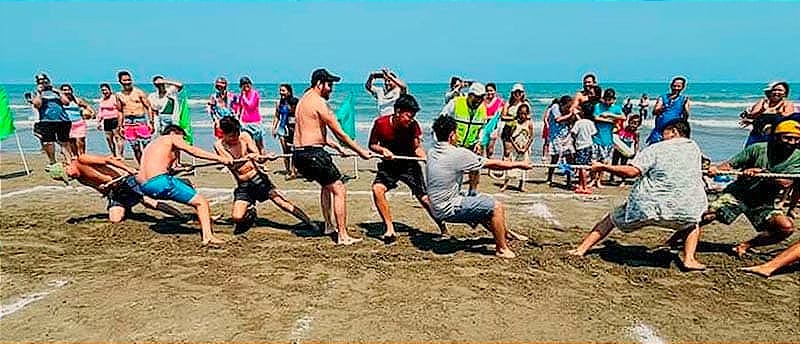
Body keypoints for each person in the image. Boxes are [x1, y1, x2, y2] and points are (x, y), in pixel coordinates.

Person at [568, 119, 708, 271]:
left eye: (664, 132)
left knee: (611, 218)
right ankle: (689, 259)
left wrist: (603, 166)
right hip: (686, 210)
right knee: (692, 224)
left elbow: (632, 172)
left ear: (674, 131)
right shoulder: (694, 149)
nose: (662, 136)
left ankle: (581, 249)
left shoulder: (657, 148)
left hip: (647, 208)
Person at [673, 120, 800, 257]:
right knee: (707, 216)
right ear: (776, 136)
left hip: (764, 202)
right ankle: (672, 240)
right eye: (787, 138)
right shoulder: (758, 149)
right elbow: (730, 165)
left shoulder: (798, 157)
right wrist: (715, 169)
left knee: (786, 228)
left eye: (796, 139)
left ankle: (745, 245)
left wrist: (763, 173)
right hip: (738, 194)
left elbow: (786, 183)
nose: (791, 142)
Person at [426, 115, 532, 258]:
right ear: (452, 135)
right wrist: (519, 165)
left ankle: (507, 233)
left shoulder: (431, 151)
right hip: (447, 209)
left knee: (479, 200)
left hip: (436, 207)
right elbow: (493, 164)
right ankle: (502, 249)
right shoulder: (457, 153)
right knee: (496, 207)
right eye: (456, 133)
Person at [293, 68, 372, 245]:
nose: (331, 89)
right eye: (329, 85)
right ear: (319, 84)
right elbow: (341, 133)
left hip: (299, 154)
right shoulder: (320, 103)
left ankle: (329, 225)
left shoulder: (303, 100)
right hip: (313, 154)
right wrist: (361, 152)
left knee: (326, 185)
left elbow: (310, 131)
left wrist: (333, 146)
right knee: (339, 188)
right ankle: (342, 235)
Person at [214, 117, 315, 233]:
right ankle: (251, 210)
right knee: (237, 217)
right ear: (224, 134)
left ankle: (309, 222)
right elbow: (232, 165)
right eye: (231, 136)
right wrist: (246, 157)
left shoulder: (245, 137)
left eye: (236, 135)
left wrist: (266, 157)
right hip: (243, 185)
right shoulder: (219, 145)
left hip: (259, 179)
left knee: (282, 203)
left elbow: (258, 157)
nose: (235, 138)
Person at [136, 125, 232, 245]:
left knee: (187, 185)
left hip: (144, 186)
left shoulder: (153, 144)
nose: (182, 142)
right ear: (174, 133)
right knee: (201, 202)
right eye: (182, 138)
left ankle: (205, 217)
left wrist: (182, 169)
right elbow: (193, 151)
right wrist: (219, 159)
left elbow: (161, 167)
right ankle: (208, 236)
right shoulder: (172, 138)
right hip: (160, 182)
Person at [368, 94, 446, 243]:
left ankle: (443, 227)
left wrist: (425, 158)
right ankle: (390, 229)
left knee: (424, 198)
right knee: (377, 190)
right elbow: (372, 144)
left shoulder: (413, 126)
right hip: (389, 165)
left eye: (413, 116)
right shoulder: (380, 123)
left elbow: (417, 148)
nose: (411, 120)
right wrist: (382, 150)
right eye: (409, 116)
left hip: (409, 165)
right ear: (397, 112)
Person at [54, 153, 185, 223]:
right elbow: (98, 187)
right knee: (115, 219)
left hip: (126, 180)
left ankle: (181, 216)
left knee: (148, 202)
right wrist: (104, 189)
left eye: (68, 175)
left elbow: (109, 160)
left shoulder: (82, 159)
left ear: (66, 166)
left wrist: (128, 169)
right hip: (115, 191)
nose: (71, 177)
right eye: (68, 179)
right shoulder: (80, 178)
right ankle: (127, 209)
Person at [441, 82, 489, 193]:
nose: (478, 101)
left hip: (471, 144)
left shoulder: (482, 108)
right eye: (476, 98)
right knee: (455, 171)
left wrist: (479, 142)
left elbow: (482, 128)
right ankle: (452, 192)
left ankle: (473, 192)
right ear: (470, 95)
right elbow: (442, 120)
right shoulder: (456, 103)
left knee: (476, 167)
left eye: (481, 98)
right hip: (454, 145)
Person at [29, 73, 72, 170]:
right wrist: (39, 92)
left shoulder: (56, 92)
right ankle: (52, 161)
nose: (43, 83)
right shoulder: (36, 93)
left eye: (45, 81)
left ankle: (69, 161)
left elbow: (66, 102)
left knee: (64, 142)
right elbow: (37, 105)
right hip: (46, 120)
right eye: (41, 82)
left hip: (62, 120)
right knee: (47, 143)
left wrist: (57, 91)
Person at [740, 81, 795, 147]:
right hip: (756, 134)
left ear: (785, 93)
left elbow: (787, 119)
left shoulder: (787, 104)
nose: (776, 92)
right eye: (774, 90)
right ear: (770, 91)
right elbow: (752, 115)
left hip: (773, 136)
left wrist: (777, 110)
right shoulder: (762, 102)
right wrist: (762, 109)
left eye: (780, 90)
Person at [590, 88, 625, 189]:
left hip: (608, 140)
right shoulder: (598, 106)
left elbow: (623, 117)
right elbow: (596, 118)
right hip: (596, 138)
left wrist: (609, 115)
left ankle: (599, 180)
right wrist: (611, 121)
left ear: (614, 99)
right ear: (603, 98)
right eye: (607, 99)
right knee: (594, 161)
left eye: (610, 99)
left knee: (604, 163)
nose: (608, 101)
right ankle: (593, 179)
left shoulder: (616, 108)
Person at [117, 70, 153, 164]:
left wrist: (151, 122)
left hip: (140, 120)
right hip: (128, 122)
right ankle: (141, 166)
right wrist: (120, 126)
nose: (127, 82)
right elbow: (120, 111)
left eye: (129, 80)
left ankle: (148, 165)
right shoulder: (119, 95)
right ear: (120, 81)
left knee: (147, 145)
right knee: (135, 147)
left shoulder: (139, 92)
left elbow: (149, 107)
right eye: (125, 80)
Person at [647, 77, 691, 145]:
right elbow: (654, 112)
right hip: (659, 131)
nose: (676, 88)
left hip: (673, 133)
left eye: (678, 86)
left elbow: (685, 118)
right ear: (671, 86)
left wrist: (685, 108)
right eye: (674, 86)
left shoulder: (684, 99)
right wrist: (667, 104)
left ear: (683, 88)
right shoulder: (663, 97)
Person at [500, 103, 534, 192]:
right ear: (518, 113)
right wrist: (516, 147)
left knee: (524, 167)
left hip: (525, 148)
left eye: (525, 114)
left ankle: (521, 185)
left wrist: (525, 148)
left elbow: (531, 137)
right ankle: (506, 184)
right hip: (515, 148)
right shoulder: (515, 123)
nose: (523, 116)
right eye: (521, 113)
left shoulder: (529, 123)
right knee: (510, 165)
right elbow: (510, 136)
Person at [545, 95, 576, 186]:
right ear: (562, 104)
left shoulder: (567, 111)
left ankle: (569, 179)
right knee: (555, 158)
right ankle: (549, 178)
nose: (569, 108)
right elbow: (558, 119)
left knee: (569, 158)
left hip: (566, 136)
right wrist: (570, 114)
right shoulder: (555, 107)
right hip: (556, 136)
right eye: (568, 106)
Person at [271, 83, 299, 178]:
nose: (281, 92)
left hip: (294, 129)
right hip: (283, 129)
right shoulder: (279, 103)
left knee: (295, 151)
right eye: (280, 90)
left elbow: (300, 115)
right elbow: (277, 116)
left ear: (289, 92)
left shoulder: (295, 102)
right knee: (286, 151)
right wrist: (274, 128)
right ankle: (288, 170)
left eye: (283, 90)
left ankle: (294, 171)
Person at [60, 84, 95, 157]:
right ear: (61, 92)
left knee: (80, 140)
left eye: (68, 90)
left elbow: (87, 106)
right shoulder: (60, 101)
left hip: (79, 122)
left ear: (71, 91)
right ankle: (75, 156)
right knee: (72, 141)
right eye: (64, 90)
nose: (67, 92)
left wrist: (92, 112)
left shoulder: (77, 100)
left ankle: (82, 155)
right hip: (67, 124)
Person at [499, 83, 531, 160]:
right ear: (512, 93)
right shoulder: (508, 103)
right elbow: (503, 117)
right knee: (507, 152)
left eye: (519, 92)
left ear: (523, 93)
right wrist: (515, 118)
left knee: (521, 151)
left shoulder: (525, 103)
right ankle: (505, 170)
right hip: (509, 129)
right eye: (516, 92)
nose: (517, 94)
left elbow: (529, 116)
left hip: (521, 130)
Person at [571, 106, 598, 194]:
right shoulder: (590, 122)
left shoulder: (578, 123)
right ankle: (582, 184)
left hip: (580, 146)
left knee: (581, 167)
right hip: (589, 145)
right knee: (585, 166)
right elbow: (594, 133)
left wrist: (575, 140)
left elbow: (573, 133)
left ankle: (584, 186)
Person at [609, 114, 642, 186]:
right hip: (618, 149)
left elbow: (636, 143)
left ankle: (623, 180)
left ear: (638, 125)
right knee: (614, 163)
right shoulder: (623, 129)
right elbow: (615, 135)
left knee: (623, 164)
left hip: (626, 151)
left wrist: (635, 153)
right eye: (632, 122)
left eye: (636, 123)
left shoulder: (636, 133)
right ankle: (611, 178)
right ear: (629, 122)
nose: (633, 125)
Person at [96, 83, 124, 159]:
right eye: (102, 90)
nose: (104, 92)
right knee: (109, 138)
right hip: (106, 120)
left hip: (115, 119)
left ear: (109, 90)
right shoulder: (102, 99)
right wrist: (98, 122)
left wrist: (120, 123)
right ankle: (113, 154)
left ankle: (120, 155)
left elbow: (120, 110)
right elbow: (100, 111)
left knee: (117, 137)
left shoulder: (114, 98)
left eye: (105, 90)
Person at [237, 76, 264, 153]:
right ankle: (253, 163)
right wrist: (238, 119)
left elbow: (250, 105)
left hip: (255, 122)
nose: (245, 86)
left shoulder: (254, 94)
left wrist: (244, 96)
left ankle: (262, 161)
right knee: (248, 145)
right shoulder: (241, 96)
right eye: (243, 84)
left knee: (259, 145)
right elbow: (239, 108)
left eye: (247, 83)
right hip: (245, 123)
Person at [481, 82, 505, 158]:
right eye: (487, 91)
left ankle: (489, 168)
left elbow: (500, 116)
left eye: (491, 90)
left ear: (495, 91)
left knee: (490, 150)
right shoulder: (482, 101)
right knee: (480, 149)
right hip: (482, 127)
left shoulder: (499, 102)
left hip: (493, 128)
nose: (489, 93)